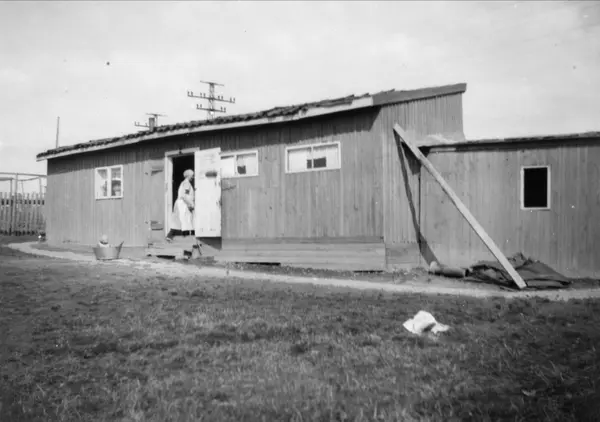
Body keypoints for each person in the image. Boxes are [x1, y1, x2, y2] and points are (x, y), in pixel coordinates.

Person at [166, 169, 195, 242]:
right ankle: (170, 235)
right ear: (188, 175)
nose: (193, 177)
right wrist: (190, 204)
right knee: (180, 220)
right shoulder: (186, 183)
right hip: (183, 204)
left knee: (185, 221)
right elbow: (185, 196)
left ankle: (185, 237)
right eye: (192, 175)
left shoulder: (185, 183)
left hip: (183, 203)